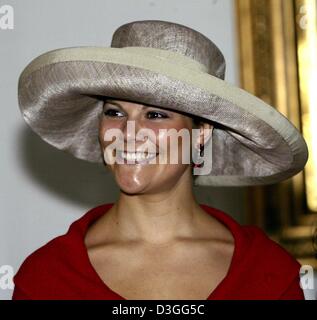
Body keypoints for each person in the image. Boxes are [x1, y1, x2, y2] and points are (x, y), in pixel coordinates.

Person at [12, 20, 308, 300]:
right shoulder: (47, 277)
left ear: (202, 133)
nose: (128, 133)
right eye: (114, 112)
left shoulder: (267, 273)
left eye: (155, 115)